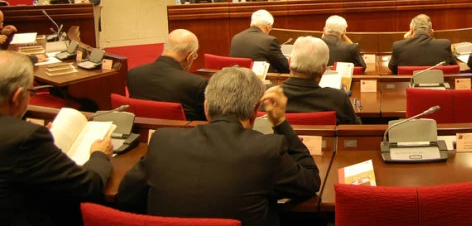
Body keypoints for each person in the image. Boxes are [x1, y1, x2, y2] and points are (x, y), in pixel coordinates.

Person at [117, 67, 320, 225]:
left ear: (206, 108)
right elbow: (310, 181)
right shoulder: (267, 149)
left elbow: (126, 197)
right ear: (255, 111)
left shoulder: (163, 141)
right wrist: (280, 122)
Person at [0, 50, 113, 226]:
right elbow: (87, 187)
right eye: (31, 92)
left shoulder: (22, 135)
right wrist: (99, 155)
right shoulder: (25, 139)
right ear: (16, 97)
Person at [127, 29, 208, 121]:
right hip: (182, 130)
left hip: (142, 129)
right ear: (189, 56)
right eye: (195, 56)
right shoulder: (197, 84)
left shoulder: (133, 75)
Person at [281, 36, 361, 124]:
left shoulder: (271, 97)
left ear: (289, 62)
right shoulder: (337, 99)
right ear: (323, 69)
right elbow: (355, 129)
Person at [388, 14, 455, 74]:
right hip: (438, 84)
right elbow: (454, 66)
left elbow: (392, 68)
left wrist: (407, 41)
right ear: (431, 31)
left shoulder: (398, 46)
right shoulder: (444, 44)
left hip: (409, 83)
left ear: (411, 30)